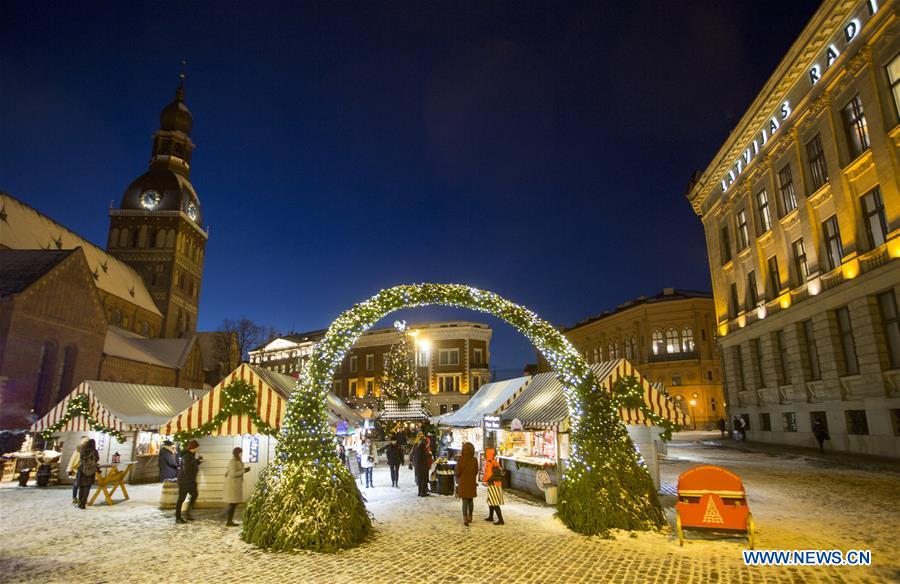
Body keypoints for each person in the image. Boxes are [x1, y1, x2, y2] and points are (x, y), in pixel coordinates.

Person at [175, 439, 202, 524]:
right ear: (193, 448)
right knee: (181, 499)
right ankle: (178, 517)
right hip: (185, 481)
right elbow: (187, 469)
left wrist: (197, 462)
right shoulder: (187, 456)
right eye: (197, 448)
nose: (197, 449)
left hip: (190, 481)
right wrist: (192, 477)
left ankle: (188, 513)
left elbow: (191, 464)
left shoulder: (191, 455)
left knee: (194, 494)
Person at [224, 447, 251, 527]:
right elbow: (233, 474)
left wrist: (244, 470)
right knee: (233, 503)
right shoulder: (233, 461)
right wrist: (244, 471)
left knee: (233, 503)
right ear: (237, 453)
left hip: (235, 485)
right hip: (233, 485)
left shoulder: (237, 460)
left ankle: (228, 519)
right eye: (240, 453)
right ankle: (229, 521)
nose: (242, 454)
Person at [454, 442, 478, 526]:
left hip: (463, 483)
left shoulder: (460, 459)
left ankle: (465, 519)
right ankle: (470, 516)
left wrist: (459, 477)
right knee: (470, 500)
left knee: (464, 501)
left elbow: (457, 472)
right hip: (471, 482)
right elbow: (476, 471)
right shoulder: (474, 459)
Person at [482, 448, 505, 525]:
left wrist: (484, 480)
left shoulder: (489, 462)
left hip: (493, 483)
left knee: (494, 502)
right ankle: (491, 516)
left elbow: (488, 474)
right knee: (491, 500)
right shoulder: (494, 461)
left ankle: (501, 520)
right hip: (497, 483)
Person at [76, 439, 99, 510]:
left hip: (82, 470)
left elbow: (81, 459)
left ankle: (79, 503)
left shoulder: (83, 450)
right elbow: (97, 459)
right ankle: (83, 504)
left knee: (81, 488)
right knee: (87, 488)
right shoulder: (94, 451)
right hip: (90, 471)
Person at [66, 436, 88, 506]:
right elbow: (72, 460)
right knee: (76, 485)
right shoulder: (78, 450)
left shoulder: (88, 451)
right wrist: (69, 469)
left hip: (84, 470)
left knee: (82, 485)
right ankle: (74, 498)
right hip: (77, 470)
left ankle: (81, 498)